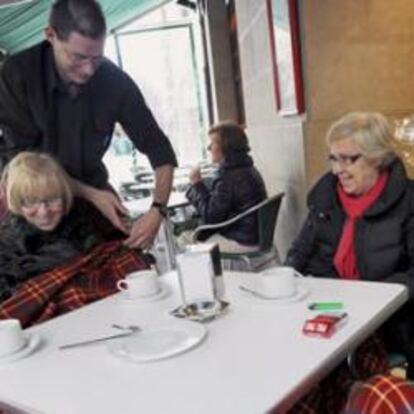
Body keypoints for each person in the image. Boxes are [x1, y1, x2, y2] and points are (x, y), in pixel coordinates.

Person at [0, 0, 177, 250]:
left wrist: (157, 210)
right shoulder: (17, 74)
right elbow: (23, 161)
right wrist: (93, 194)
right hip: (36, 203)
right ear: (51, 35)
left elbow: (160, 149)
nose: (88, 70)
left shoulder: (114, 81)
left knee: (129, 263)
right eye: (78, 57)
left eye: (97, 57)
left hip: (93, 196)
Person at [284, 112, 414, 412]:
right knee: (292, 365)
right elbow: (299, 253)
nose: (337, 169)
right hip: (325, 310)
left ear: (377, 157)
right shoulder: (325, 197)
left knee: (319, 374)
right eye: (333, 158)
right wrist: (285, 278)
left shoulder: (408, 200)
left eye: (348, 159)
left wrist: (374, 297)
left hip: (383, 322)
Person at [0, 151, 147, 304]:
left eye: (52, 200)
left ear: (64, 196)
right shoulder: (5, 248)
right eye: (31, 202)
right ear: (17, 202)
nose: (44, 212)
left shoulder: (88, 223)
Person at [182, 121, 267, 253]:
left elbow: (210, 217)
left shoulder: (227, 177)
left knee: (184, 239)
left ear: (226, 146)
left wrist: (197, 183)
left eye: (213, 143)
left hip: (241, 241)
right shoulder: (247, 168)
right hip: (256, 237)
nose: (208, 148)